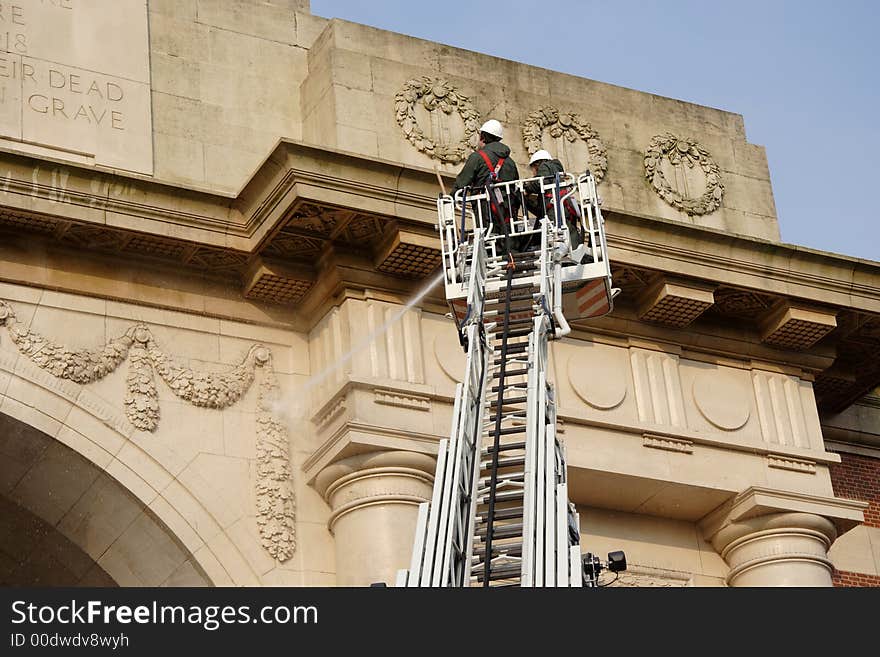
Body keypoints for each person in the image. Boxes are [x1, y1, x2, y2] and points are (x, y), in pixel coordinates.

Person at [450, 119, 520, 253]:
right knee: (506, 240)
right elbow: (515, 186)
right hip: (508, 209)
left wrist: (449, 201)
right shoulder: (510, 162)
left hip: (486, 208)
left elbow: (462, 182)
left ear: (483, 137)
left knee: (488, 241)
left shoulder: (477, 157)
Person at [523, 150, 589, 259]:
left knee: (558, 235)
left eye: (533, 169)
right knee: (567, 232)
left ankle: (570, 254)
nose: (534, 173)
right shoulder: (553, 179)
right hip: (558, 210)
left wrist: (526, 189)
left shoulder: (546, 166)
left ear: (537, 165)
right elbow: (541, 210)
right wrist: (526, 202)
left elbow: (540, 182)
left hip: (555, 212)